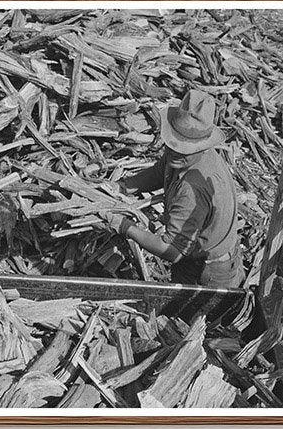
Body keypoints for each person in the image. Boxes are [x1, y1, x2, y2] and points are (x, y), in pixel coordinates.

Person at [103, 90, 244, 289]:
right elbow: (160, 171)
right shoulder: (190, 155)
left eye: (184, 147)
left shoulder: (191, 188)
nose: (175, 151)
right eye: (173, 143)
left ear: (201, 145)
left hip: (209, 271)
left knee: (191, 318)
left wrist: (124, 227)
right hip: (202, 254)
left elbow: (172, 250)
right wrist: (123, 187)